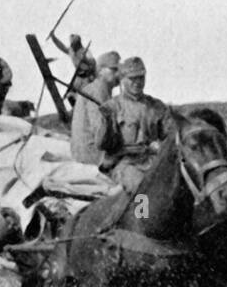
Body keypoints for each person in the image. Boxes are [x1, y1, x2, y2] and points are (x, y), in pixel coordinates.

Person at [99, 56, 173, 192]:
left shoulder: (157, 106)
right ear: (122, 80)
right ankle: (142, 214)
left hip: (153, 160)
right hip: (124, 163)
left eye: (141, 78)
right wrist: (106, 122)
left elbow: (171, 136)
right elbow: (103, 145)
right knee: (140, 185)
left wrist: (160, 146)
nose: (137, 82)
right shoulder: (112, 107)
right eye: (132, 78)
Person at [69, 51, 120, 166]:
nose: (118, 75)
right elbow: (99, 130)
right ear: (101, 70)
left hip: (87, 153)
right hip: (92, 156)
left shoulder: (99, 89)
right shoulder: (99, 90)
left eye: (120, 71)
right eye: (114, 70)